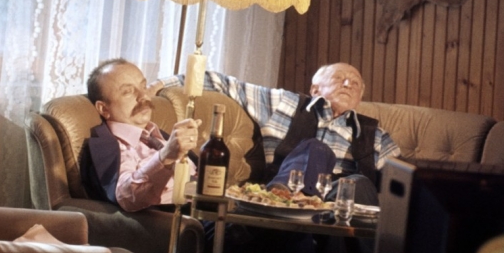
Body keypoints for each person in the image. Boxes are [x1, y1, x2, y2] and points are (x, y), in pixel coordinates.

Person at [154, 61, 400, 203]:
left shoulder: (376, 136)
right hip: (284, 203)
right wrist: (157, 85)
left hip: (338, 215)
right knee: (315, 148)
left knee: (358, 185)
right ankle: (283, 197)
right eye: (339, 78)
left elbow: (404, 184)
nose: (348, 84)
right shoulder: (285, 103)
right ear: (315, 89)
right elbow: (220, 82)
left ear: (359, 98)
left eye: (355, 83)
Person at [81, 58, 200, 212]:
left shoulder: (159, 136)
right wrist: (166, 156)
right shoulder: (107, 146)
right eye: (128, 92)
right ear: (104, 109)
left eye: (143, 86)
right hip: (179, 216)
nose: (144, 96)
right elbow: (126, 197)